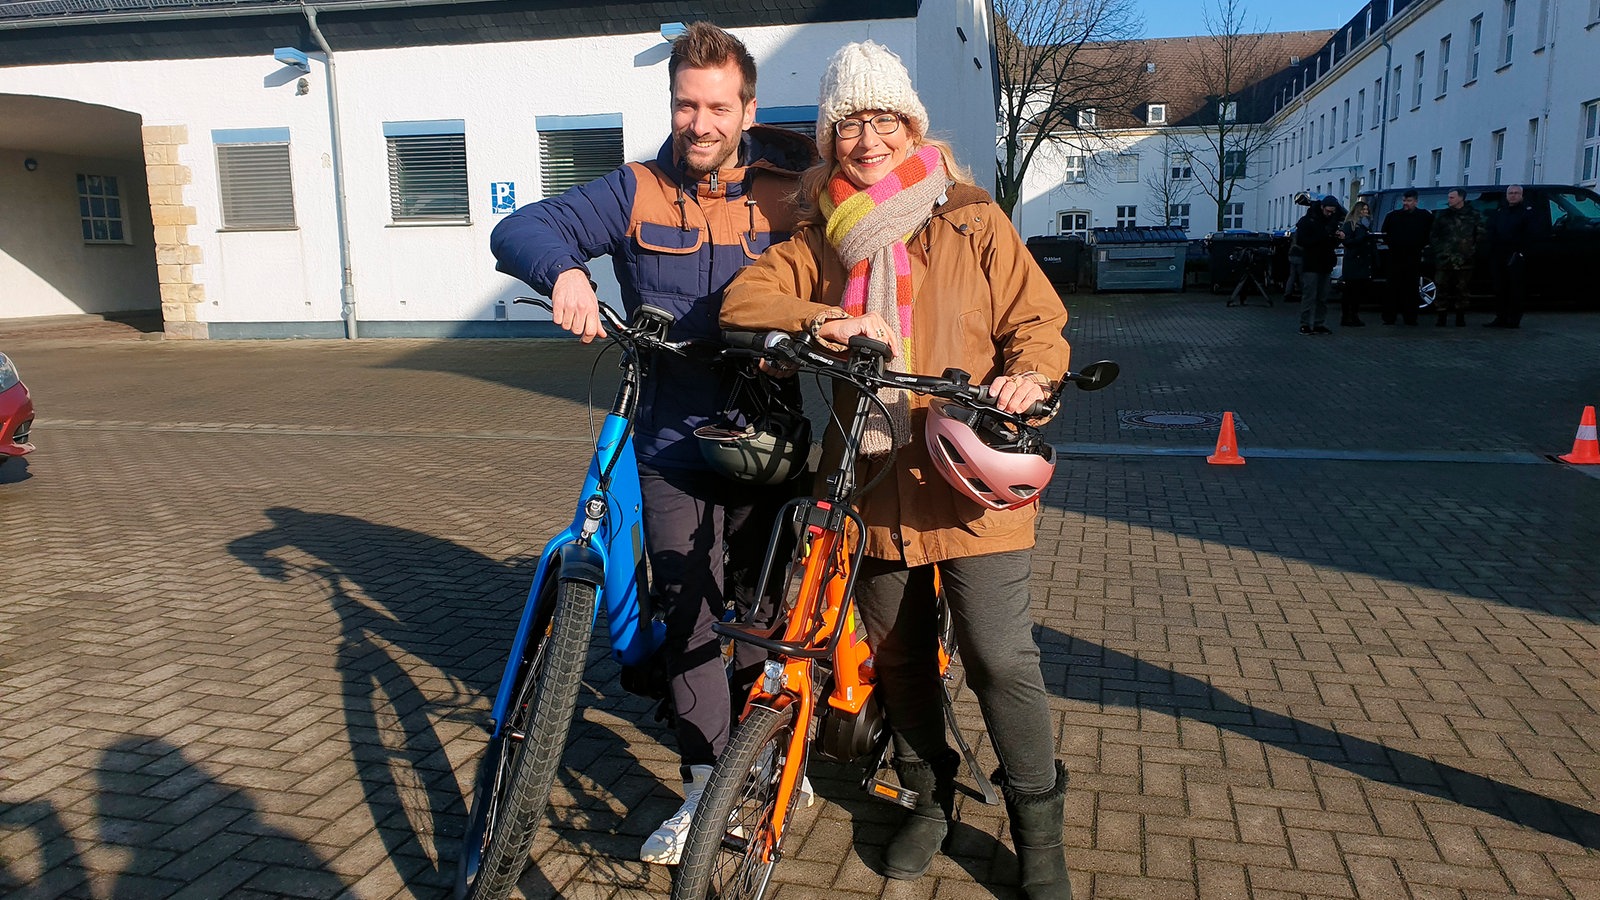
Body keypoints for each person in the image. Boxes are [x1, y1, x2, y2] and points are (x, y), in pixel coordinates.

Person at [721, 41, 1074, 900]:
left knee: (998, 656)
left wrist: (1029, 375)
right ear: (829, 136)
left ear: (911, 125)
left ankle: (1039, 829)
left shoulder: (968, 217)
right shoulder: (822, 236)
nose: (867, 138)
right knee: (900, 659)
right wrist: (824, 323)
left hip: (969, 477)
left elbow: (1038, 320)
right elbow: (742, 303)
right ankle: (929, 795)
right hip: (871, 486)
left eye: (883, 119)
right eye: (849, 123)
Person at [489, 22, 816, 866]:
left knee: (763, 608)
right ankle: (707, 784)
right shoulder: (636, 188)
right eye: (685, 105)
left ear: (746, 108)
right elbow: (522, 228)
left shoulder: (789, 191)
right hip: (670, 440)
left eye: (717, 106)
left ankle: (771, 751)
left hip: (767, 439)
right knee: (688, 611)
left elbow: (875, 249)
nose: (700, 122)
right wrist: (563, 272)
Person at [1484, 184, 1545, 328]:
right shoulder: (1500, 211)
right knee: (1499, 288)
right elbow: (1491, 231)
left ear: (1521, 196)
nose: (1513, 195)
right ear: (1506, 195)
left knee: (1515, 289)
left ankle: (1513, 319)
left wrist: (1522, 253)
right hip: (1499, 255)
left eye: (1516, 193)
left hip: (1516, 255)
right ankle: (1500, 318)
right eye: (1510, 193)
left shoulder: (1527, 213)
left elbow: (1532, 234)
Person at [1429, 187, 1483, 326]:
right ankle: (1441, 316)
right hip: (1444, 259)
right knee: (1441, 287)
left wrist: (1471, 251)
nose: (1449, 200)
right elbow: (1434, 235)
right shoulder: (1442, 215)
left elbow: (1480, 235)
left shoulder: (1473, 215)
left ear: (1461, 198)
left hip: (1465, 259)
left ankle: (1460, 316)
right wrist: (1440, 251)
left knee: (1463, 289)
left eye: (1452, 197)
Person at [1380, 189, 1433, 326]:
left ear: (1416, 201)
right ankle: (1389, 317)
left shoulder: (1424, 216)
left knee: (1411, 288)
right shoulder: (1393, 216)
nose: (1406, 204)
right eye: (1404, 201)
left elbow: (1429, 235)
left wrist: (1420, 246)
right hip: (1395, 256)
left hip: (1413, 257)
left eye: (1409, 201)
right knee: (1392, 288)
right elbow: (1385, 234)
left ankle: (1410, 317)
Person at [1295, 195, 1344, 334]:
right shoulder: (1307, 221)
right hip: (1312, 262)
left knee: (1322, 296)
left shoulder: (1328, 222)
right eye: (1328, 211)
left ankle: (1317, 323)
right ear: (1322, 207)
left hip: (1324, 262)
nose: (1330, 214)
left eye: (1332, 212)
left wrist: (1335, 238)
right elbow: (1302, 241)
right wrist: (1325, 235)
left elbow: (1329, 243)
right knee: (1310, 295)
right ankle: (1306, 323)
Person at [1339, 200, 1374, 327]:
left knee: (1357, 292)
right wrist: (1361, 238)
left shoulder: (1366, 226)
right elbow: (1347, 242)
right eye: (1363, 210)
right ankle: (1347, 317)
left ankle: (1354, 316)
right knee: (1349, 292)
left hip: (1362, 262)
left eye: (1367, 210)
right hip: (1353, 262)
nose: (1365, 212)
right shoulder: (1350, 225)